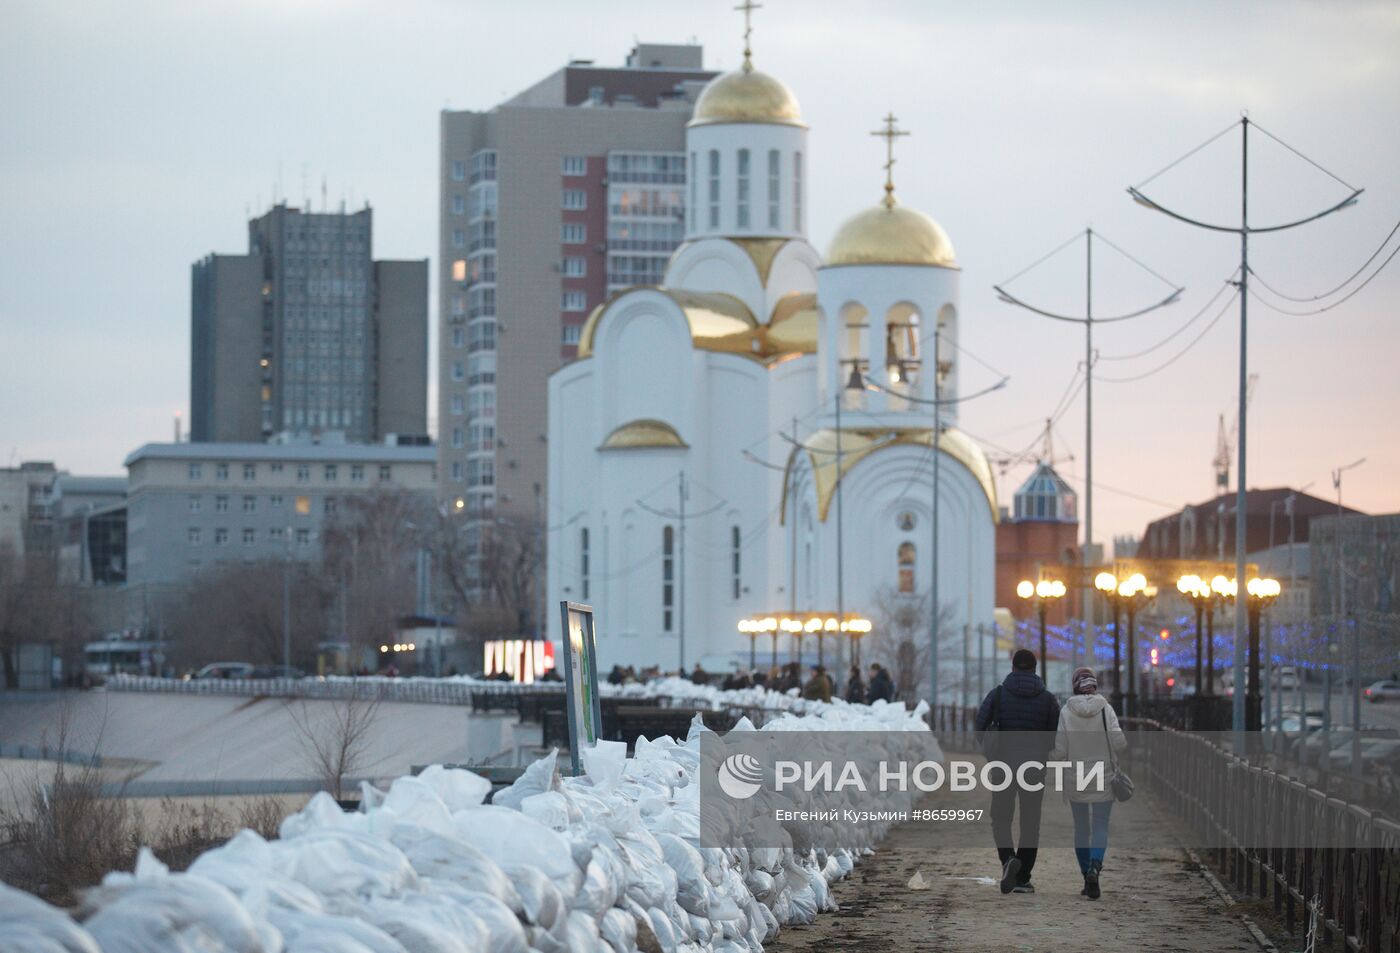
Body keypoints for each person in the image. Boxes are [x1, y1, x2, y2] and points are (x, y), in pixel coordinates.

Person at [974, 648, 1060, 895]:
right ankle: (1022, 878)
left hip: (1002, 766)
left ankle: (1008, 859)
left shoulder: (998, 695)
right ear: (1035, 669)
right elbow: (1053, 738)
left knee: (1000, 818)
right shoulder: (1047, 699)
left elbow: (979, 727)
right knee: (1030, 822)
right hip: (1034, 768)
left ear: (1012, 668)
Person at [1051, 667, 1127, 900]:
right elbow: (1120, 743)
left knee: (1082, 829)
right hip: (1103, 776)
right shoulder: (1107, 709)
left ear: (1075, 686)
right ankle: (1096, 866)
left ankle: (1086, 876)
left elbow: (1061, 750)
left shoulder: (1066, 711)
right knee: (1101, 826)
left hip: (1077, 778)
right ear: (1095, 686)